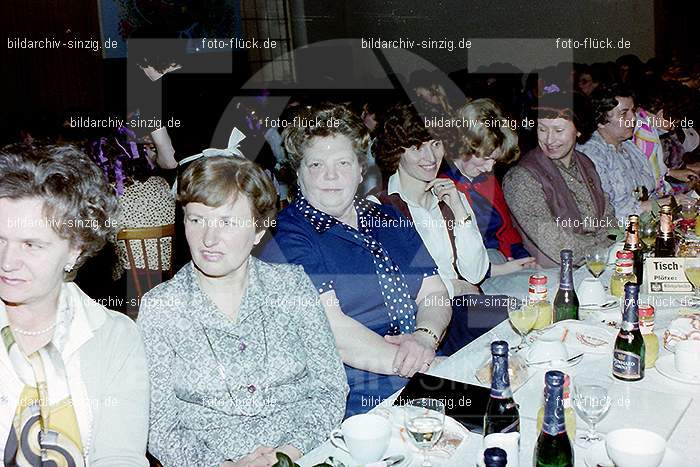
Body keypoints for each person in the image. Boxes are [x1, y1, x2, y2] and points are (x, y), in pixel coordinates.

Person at [137, 155, 347, 466]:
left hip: (302, 455)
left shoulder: (291, 287)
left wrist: (285, 455)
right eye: (196, 220)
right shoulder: (162, 309)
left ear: (259, 230)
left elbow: (331, 387)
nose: (209, 238)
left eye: (227, 222)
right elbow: (160, 426)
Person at [260, 103, 452, 418]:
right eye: (317, 164)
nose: (331, 176)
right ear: (297, 172)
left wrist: (424, 337)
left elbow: (433, 291)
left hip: (422, 366)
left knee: (506, 414)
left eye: (343, 162)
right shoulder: (287, 238)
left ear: (361, 169)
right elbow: (333, 331)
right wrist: (420, 365)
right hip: (357, 392)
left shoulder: (387, 215)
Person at [0, 144, 149, 465]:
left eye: (31, 245)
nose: (8, 261)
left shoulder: (115, 338)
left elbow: (119, 457)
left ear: (75, 250)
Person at [370, 102, 489, 297]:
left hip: (466, 307)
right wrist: (456, 287)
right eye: (417, 148)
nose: (431, 157)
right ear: (395, 151)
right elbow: (400, 286)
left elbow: (475, 274)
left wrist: (460, 212)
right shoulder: (379, 207)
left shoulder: (452, 197)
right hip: (422, 316)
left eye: (436, 144)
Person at [503, 92, 616, 267]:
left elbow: (608, 217)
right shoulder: (521, 178)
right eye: (542, 129)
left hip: (597, 262)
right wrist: (602, 251)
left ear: (578, 130)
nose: (549, 139)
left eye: (558, 130)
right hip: (554, 274)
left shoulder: (585, 163)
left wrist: (607, 247)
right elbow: (555, 243)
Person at [437, 98, 536, 272]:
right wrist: (499, 270)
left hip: (503, 261)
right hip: (478, 274)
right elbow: (450, 261)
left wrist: (523, 258)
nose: (490, 167)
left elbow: (506, 231)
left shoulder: (486, 178)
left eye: (495, 160)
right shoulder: (442, 187)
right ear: (464, 146)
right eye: (486, 158)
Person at [576, 84, 659, 220]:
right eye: (624, 113)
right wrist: (659, 205)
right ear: (601, 121)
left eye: (632, 111)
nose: (633, 118)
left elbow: (648, 191)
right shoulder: (591, 154)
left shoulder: (628, 146)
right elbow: (609, 212)